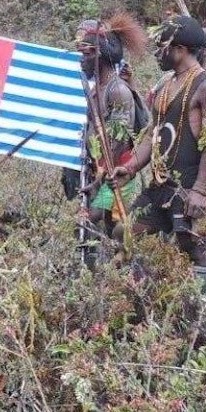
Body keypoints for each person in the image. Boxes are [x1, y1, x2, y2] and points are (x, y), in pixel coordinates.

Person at [110, 15, 206, 291]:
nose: (158, 54)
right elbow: (153, 133)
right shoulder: (165, 86)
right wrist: (130, 168)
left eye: (163, 47)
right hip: (160, 187)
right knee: (123, 232)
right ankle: (144, 295)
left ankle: (205, 314)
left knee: (196, 248)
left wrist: (200, 190)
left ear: (181, 49)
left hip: (189, 188)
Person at [75, 13, 148, 244]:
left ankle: (127, 275)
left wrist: (98, 180)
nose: (80, 61)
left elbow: (118, 142)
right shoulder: (98, 89)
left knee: (112, 228)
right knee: (103, 228)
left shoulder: (118, 91)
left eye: (84, 54)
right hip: (102, 172)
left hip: (118, 174)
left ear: (98, 55)